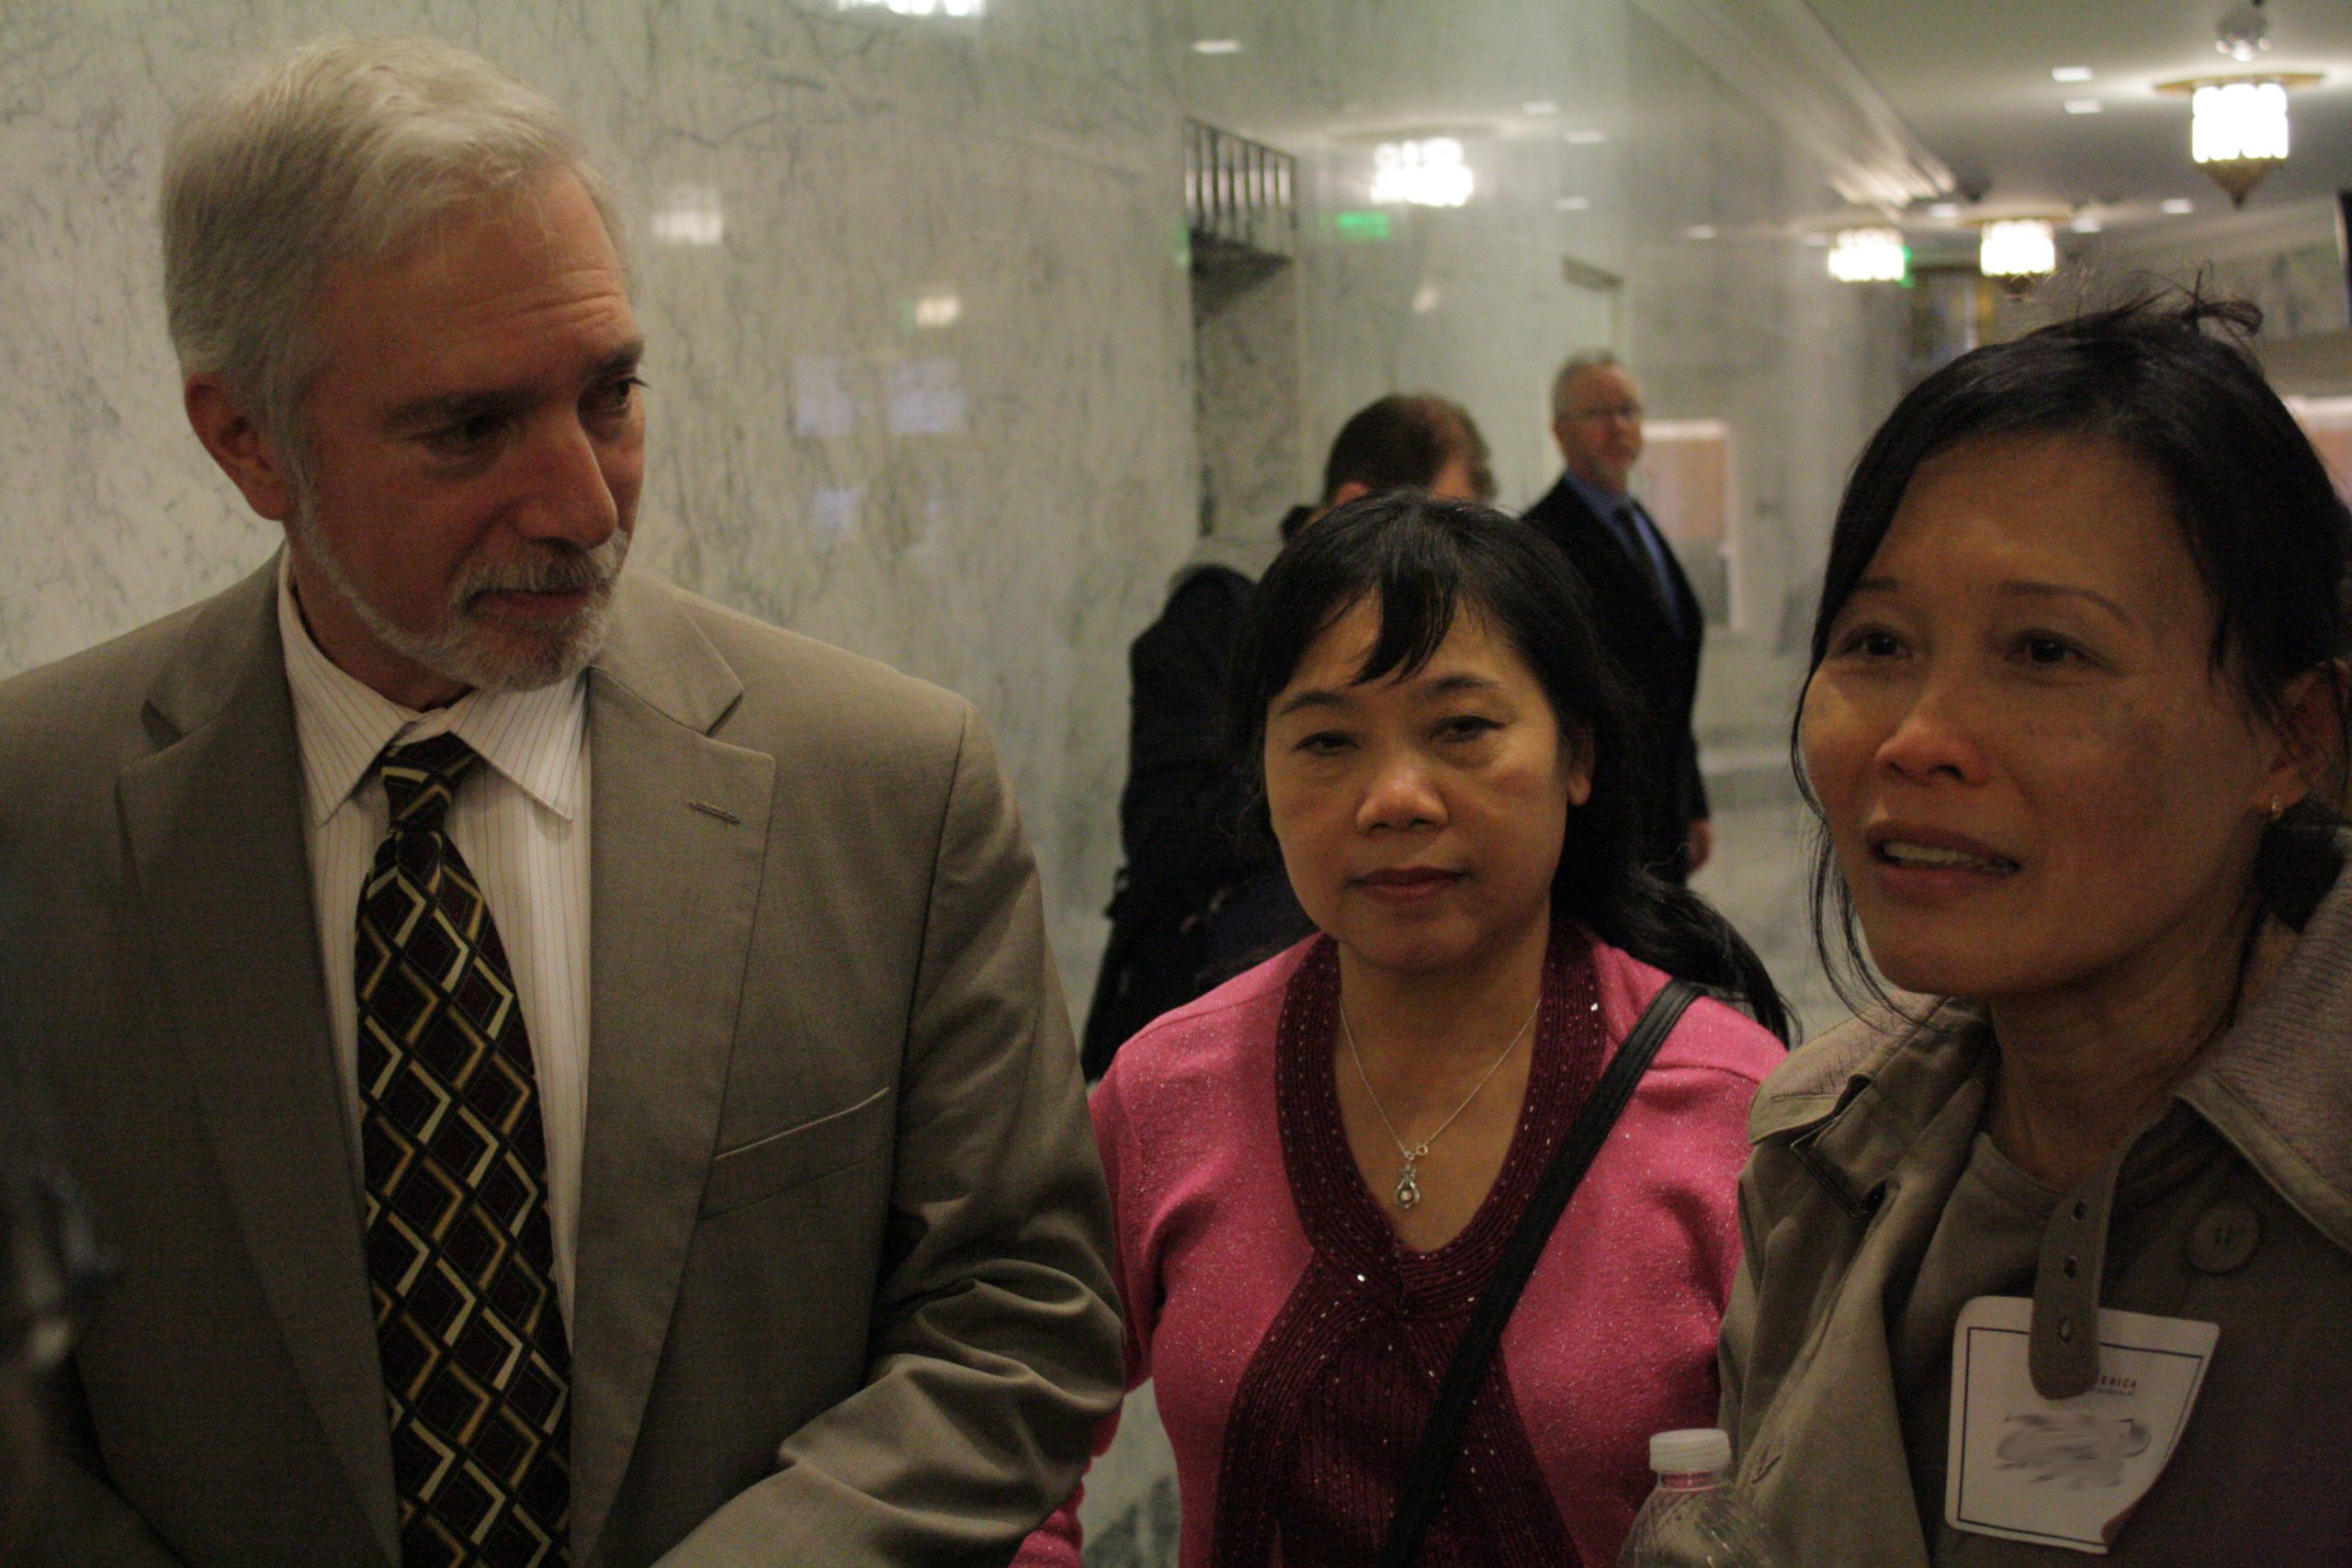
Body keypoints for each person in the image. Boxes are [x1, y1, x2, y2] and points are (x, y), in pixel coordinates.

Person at [0, 35, 1121, 1568]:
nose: (586, 505)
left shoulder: (887, 788)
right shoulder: (37, 816)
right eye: (468, 428)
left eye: (609, 395)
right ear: (247, 439)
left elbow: (1023, 1311)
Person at [1025, 494, 1789, 1568]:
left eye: (1461, 729)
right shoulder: (1168, 1089)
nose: (1393, 798)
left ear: (1578, 754)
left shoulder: (1735, 1111)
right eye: (1327, 740)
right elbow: (999, 1419)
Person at [1717, 296, 2352, 1563]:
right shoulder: (1822, 1153)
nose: (1917, 736)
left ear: (2289, 738)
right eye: (1879, 640)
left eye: (2046, 650)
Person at [1081, 394, 1495, 1075]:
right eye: (1426, 526)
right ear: (1353, 501)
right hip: (1224, 1004)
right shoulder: (1214, 616)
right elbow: (1163, 832)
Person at [1521, 353, 1712, 882]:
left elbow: (1670, 675)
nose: (1619, 427)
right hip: (1599, 819)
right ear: (1560, 432)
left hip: (1662, 808)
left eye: (1629, 411)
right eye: (1599, 414)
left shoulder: (1638, 522)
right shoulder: (1542, 539)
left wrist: (1691, 799)